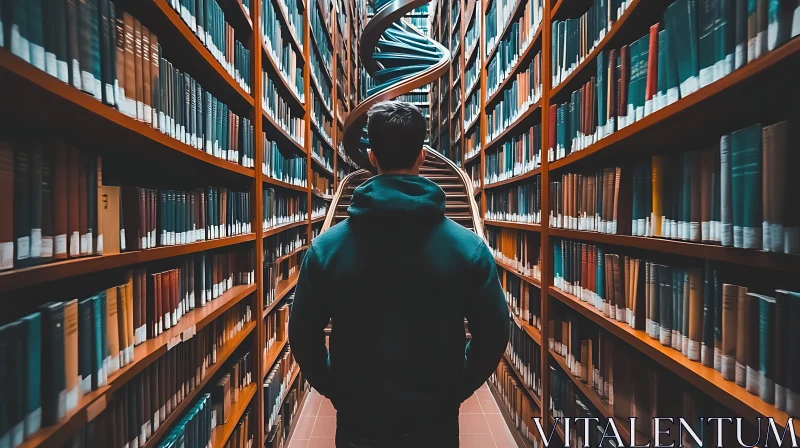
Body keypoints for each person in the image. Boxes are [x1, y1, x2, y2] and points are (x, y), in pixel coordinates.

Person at [288, 100, 509, 448]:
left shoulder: (327, 249)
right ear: (423, 156)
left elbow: (303, 336)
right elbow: (494, 334)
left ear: (372, 157)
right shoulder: (469, 249)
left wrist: (339, 391)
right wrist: (452, 391)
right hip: (433, 426)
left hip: (359, 424)